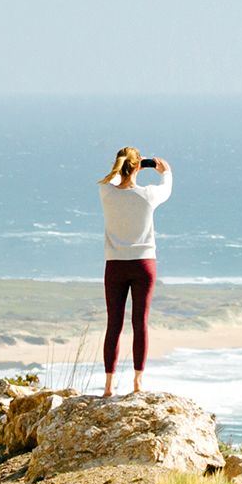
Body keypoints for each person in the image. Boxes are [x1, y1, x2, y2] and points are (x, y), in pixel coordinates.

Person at [96, 145, 171, 397]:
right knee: (140, 323)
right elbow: (167, 187)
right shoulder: (148, 195)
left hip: (115, 264)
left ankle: (108, 386)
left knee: (113, 325)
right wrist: (165, 171)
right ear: (139, 166)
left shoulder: (106, 193)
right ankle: (138, 382)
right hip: (144, 264)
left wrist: (127, 166)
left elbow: (116, 179)